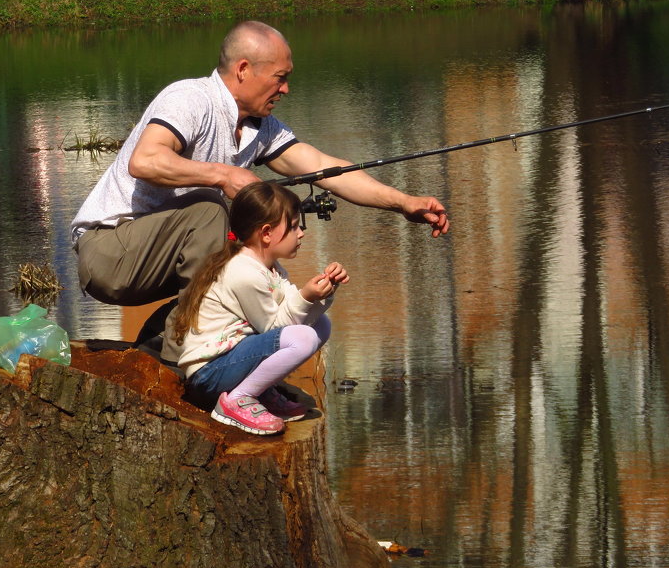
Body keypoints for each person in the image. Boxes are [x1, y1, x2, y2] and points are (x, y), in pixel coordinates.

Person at [69, 20, 448, 344]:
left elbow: (325, 168)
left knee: (250, 243)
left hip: (154, 258)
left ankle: (165, 339)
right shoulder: (191, 98)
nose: (285, 90)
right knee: (209, 209)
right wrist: (224, 174)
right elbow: (145, 160)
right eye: (280, 79)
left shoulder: (260, 128)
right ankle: (189, 353)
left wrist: (403, 203)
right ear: (244, 69)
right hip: (109, 254)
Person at [165, 182, 347, 435]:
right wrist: (307, 296)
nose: (301, 233)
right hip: (209, 375)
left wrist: (325, 292)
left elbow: (294, 313)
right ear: (266, 233)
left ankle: (258, 391)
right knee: (303, 336)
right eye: (293, 226)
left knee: (320, 325)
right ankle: (237, 400)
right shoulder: (243, 272)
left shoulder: (269, 267)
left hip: (229, 364)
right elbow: (274, 328)